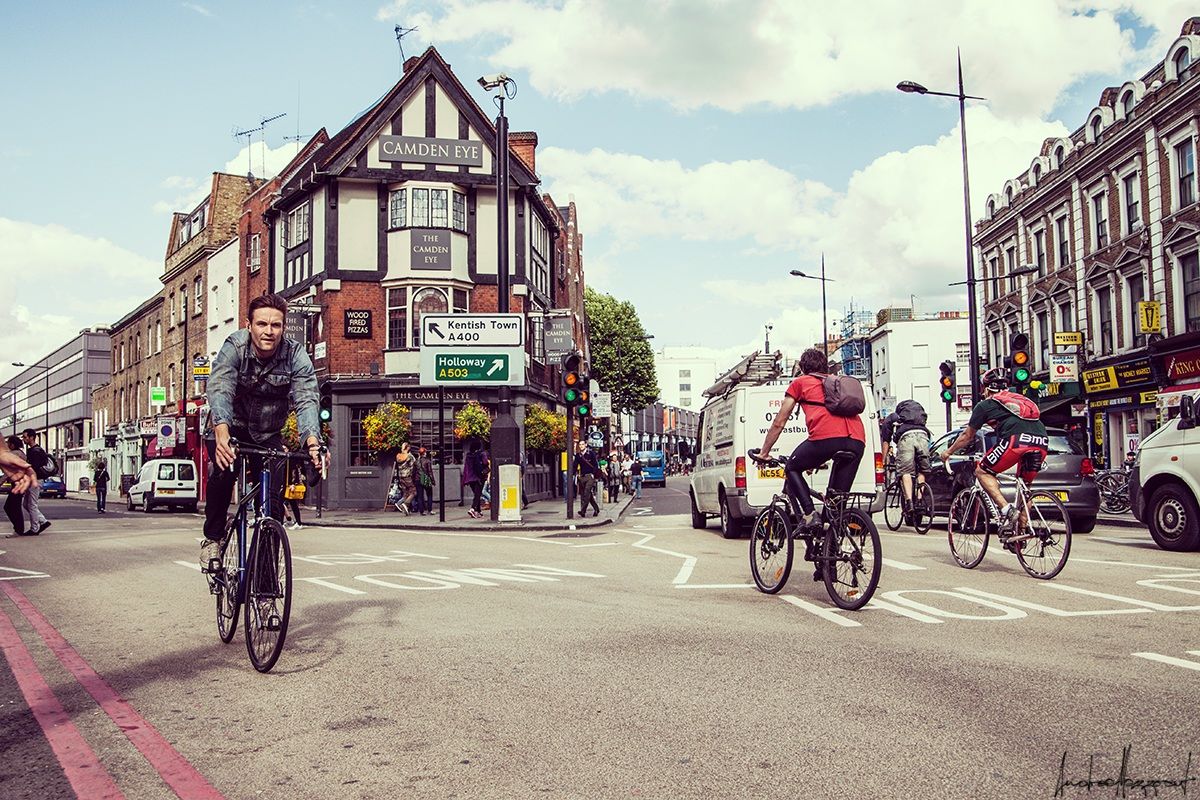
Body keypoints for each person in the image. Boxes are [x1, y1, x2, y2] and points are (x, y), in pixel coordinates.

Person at [201, 293, 322, 571]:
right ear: (249, 325)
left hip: (268, 434)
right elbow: (220, 386)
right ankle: (213, 539)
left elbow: (306, 397)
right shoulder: (235, 346)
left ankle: (265, 588)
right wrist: (222, 432)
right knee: (223, 471)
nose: (269, 331)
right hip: (230, 428)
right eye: (262, 324)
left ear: (283, 327)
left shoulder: (294, 354)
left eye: (276, 325)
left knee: (273, 507)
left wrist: (312, 442)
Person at [757, 348, 866, 579]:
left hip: (826, 439)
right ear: (824, 366)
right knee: (836, 505)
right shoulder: (837, 382)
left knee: (792, 468)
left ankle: (808, 514)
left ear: (803, 368)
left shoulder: (800, 383)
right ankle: (830, 566)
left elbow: (780, 421)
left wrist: (765, 452)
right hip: (857, 441)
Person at [939, 368, 1049, 535]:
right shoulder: (1021, 400)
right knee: (1025, 487)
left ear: (987, 388)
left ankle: (1006, 510)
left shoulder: (985, 405)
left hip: (1016, 441)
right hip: (1041, 442)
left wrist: (948, 452)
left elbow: (967, 436)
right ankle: (1022, 532)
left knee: (982, 471)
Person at [880, 399, 932, 525]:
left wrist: (883, 460)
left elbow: (886, 442)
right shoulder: (920, 420)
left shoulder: (893, 417)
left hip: (906, 439)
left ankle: (909, 502)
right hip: (923, 437)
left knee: (906, 471)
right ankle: (919, 501)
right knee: (923, 470)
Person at [19, 430, 50, 535]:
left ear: (31, 437)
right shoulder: (36, 450)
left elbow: (34, 468)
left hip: (35, 480)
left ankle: (34, 528)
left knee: (32, 505)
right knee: (26, 504)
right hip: (34, 480)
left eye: (25, 437)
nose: (23, 439)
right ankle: (43, 521)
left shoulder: (35, 451)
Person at [4, 436, 29, 536]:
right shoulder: (22, 454)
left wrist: (1, 481)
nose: (7, 445)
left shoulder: (14, 454)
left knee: (10, 507)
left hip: (17, 483)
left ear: (12, 444)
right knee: (15, 507)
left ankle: (18, 529)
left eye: (8, 443)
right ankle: (19, 529)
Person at [575, 441, 603, 517]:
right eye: (580, 445)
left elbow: (595, 464)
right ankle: (596, 509)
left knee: (587, 492)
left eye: (582, 444)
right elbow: (575, 465)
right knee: (588, 495)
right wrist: (575, 474)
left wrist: (593, 474)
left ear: (586, 445)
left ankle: (583, 511)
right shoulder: (578, 455)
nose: (581, 446)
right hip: (582, 477)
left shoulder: (591, 454)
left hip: (590, 476)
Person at [390, 442, 417, 515]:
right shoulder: (409, 456)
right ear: (407, 448)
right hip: (407, 476)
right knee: (414, 492)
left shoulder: (398, 456)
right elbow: (414, 465)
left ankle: (402, 507)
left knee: (406, 494)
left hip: (401, 477)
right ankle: (406, 504)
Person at [464, 441, 488, 519]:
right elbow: (485, 463)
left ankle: (479, 511)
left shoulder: (468, 455)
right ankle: (473, 509)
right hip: (478, 477)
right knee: (477, 495)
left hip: (470, 478)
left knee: (476, 494)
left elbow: (466, 467)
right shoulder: (481, 454)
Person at [282, 457, 306, 529]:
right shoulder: (288, 458)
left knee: (280, 503)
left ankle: (282, 522)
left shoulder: (291, 459)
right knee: (292, 504)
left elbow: (293, 473)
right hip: (286, 484)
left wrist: (293, 483)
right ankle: (298, 522)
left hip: (288, 485)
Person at [415, 447, 435, 515]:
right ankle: (430, 510)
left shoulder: (416, 461)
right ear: (424, 453)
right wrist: (433, 481)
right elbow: (430, 472)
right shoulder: (427, 461)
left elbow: (413, 472)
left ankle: (421, 511)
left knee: (420, 496)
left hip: (418, 479)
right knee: (429, 494)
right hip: (425, 478)